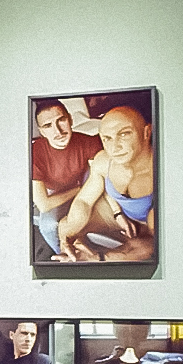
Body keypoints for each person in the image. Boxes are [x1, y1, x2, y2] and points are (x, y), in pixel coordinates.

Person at [54, 106, 155, 262]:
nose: (114, 147)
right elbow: (84, 201)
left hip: (147, 225)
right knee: (69, 225)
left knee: (142, 247)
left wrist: (99, 257)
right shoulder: (103, 161)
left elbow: (153, 242)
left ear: (146, 133)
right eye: (107, 138)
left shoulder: (159, 173)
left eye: (124, 134)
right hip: (116, 212)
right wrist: (66, 240)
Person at [30, 100, 103, 257]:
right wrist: (77, 190)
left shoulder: (88, 142)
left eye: (61, 120)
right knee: (48, 226)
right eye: (48, 126)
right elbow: (43, 205)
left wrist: (117, 212)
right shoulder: (34, 152)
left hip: (84, 182)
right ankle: (65, 256)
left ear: (70, 119)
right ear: (41, 132)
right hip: (56, 191)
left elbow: (99, 177)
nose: (58, 131)